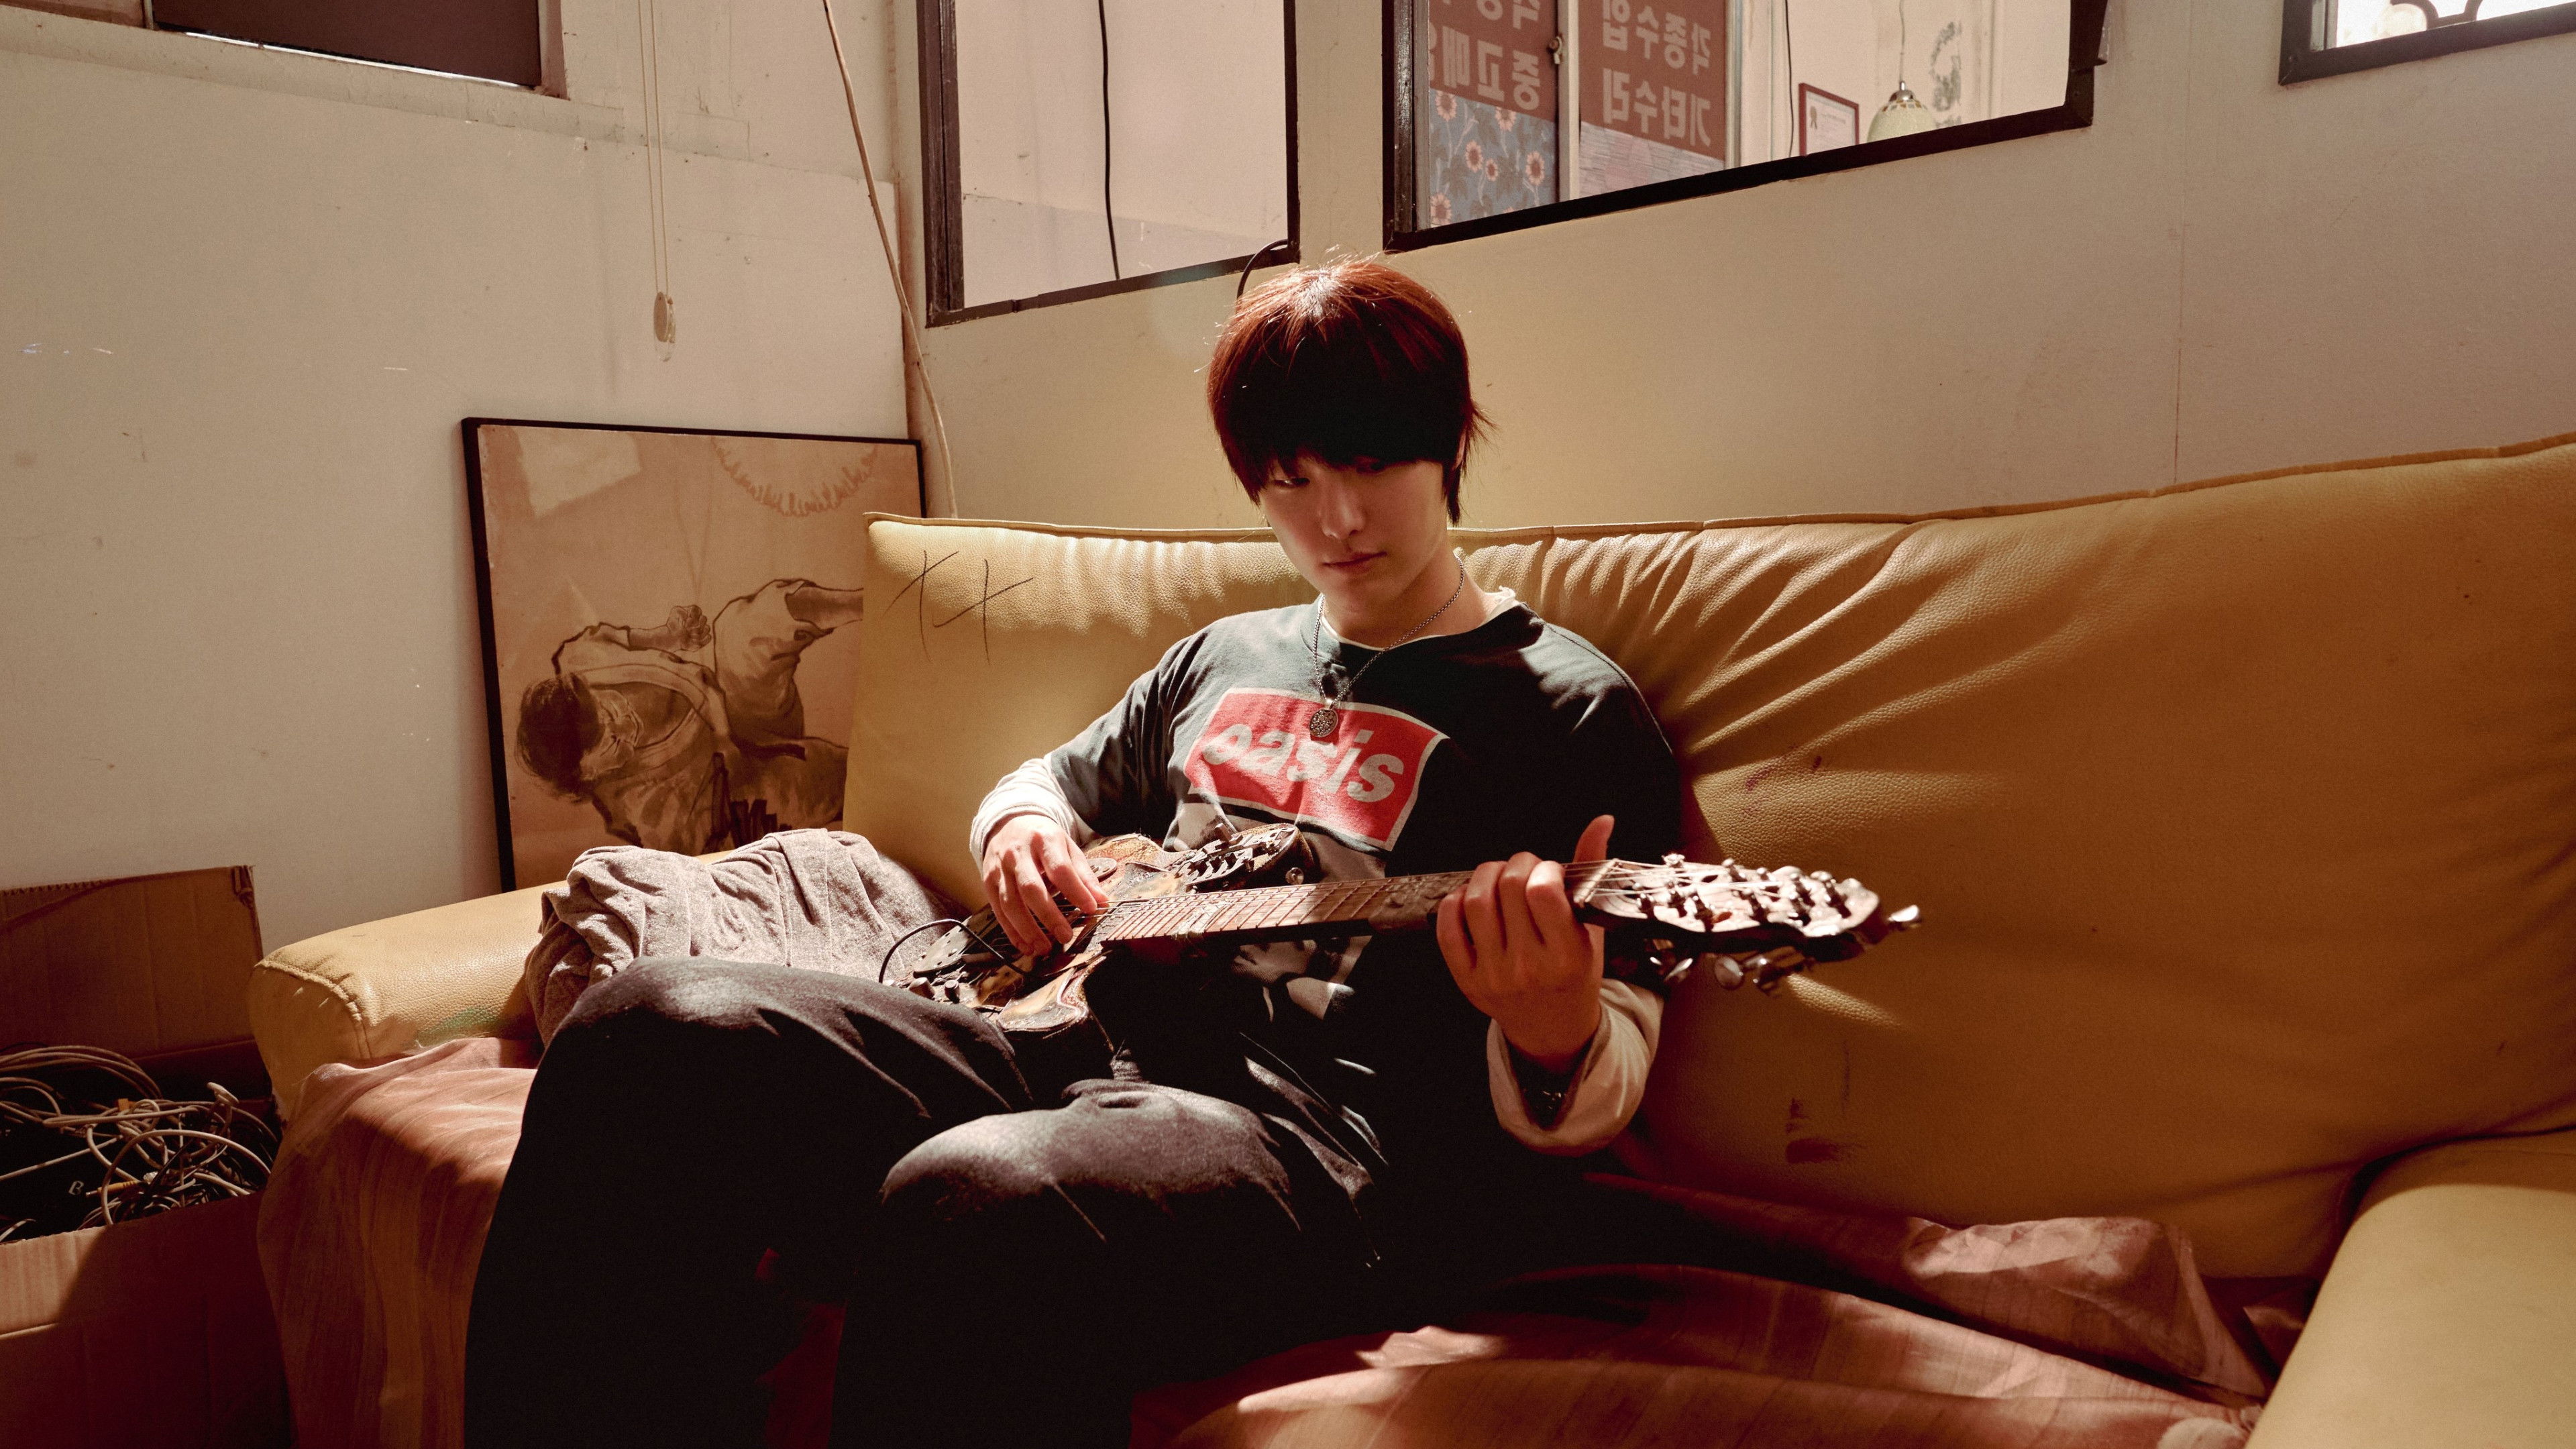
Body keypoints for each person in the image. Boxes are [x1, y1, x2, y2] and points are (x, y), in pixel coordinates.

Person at [463, 260, 1683, 1449]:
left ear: (1448, 443)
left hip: (1319, 1149)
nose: (1338, 518)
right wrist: (1021, 833)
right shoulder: (1220, 659)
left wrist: (1554, 1032)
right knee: (643, 1029)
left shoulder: (1568, 708)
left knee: (974, 1198)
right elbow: (1041, 782)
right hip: (1069, 1045)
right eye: (1292, 479)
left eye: (1372, 464)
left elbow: (1612, 1053)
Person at [513, 578, 865, 852]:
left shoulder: (582, 658)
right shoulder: (651, 814)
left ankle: (877, 601)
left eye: (611, 711)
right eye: (614, 743)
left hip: (735, 705)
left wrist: (670, 636)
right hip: (746, 781)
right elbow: (713, 859)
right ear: (592, 776)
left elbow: (630, 641)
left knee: (741, 627)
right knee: (823, 783)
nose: (627, 725)